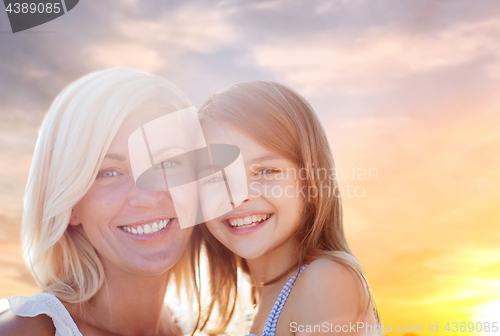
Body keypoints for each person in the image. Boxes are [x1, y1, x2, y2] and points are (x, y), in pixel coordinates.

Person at [0, 68, 206, 336]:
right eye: (109, 172)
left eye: (166, 164)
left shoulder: (194, 328)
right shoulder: (26, 331)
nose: (146, 197)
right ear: (71, 205)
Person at [197, 81, 380, 335]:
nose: (238, 197)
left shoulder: (324, 281)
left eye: (265, 170)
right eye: (216, 176)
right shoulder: (258, 305)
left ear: (310, 179)